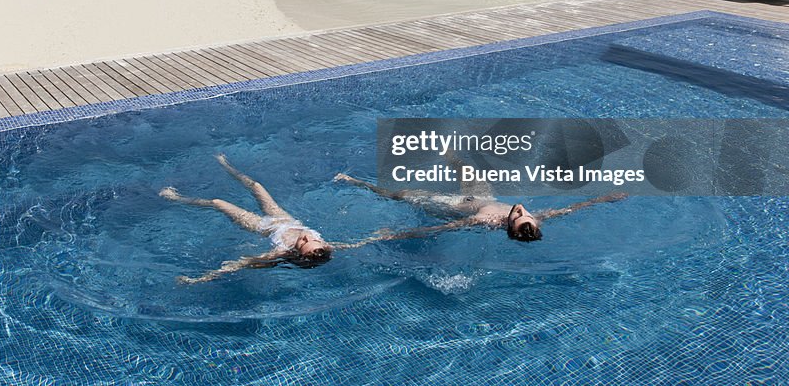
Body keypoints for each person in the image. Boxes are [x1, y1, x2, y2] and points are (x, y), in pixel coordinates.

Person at [160, 154, 340, 284]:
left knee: (218, 202)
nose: (308, 236)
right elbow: (353, 244)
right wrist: (370, 237)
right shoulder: (324, 248)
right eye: (314, 239)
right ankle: (225, 164)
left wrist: (199, 279)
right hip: (283, 217)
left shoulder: (281, 252)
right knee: (256, 185)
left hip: (261, 225)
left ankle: (175, 198)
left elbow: (240, 264)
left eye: (303, 242)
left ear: (297, 252)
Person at [334, 168, 627, 243]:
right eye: (527, 216)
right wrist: (604, 198)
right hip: (480, 195)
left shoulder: (485, 222)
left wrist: (396, 235)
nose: (523, 210)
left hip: (450, 205)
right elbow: (571, 209)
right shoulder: (531, 219)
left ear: (508, 225)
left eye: (519, 216)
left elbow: (443, 228)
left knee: (398, 194)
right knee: (466, 168)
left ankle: (355, 182)